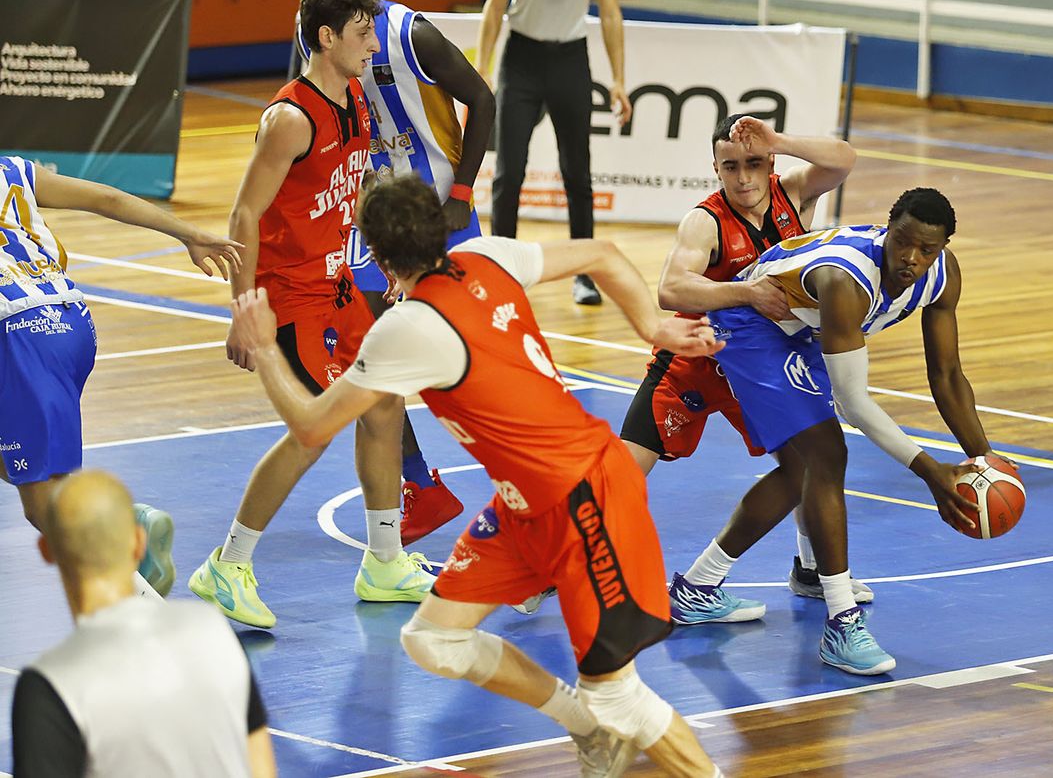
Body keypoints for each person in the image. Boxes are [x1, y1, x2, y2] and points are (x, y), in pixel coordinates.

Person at [228, 172, 725, 778]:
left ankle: (617, 725)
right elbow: (603, 253)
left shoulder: (406, 328)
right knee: (432, 640)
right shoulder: (484, 255)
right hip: (525, 502)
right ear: (440, 230)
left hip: (584, 494)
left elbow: (310, 426)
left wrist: (266, 347)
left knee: (620, 693)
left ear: (377, 257)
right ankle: (586, 726)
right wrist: (652, 325)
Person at [669, 188, 997, 677]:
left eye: (927, 250)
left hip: (802, 330)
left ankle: (697, 589)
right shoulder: (848, 279)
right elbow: (854, 402)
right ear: (888, 230)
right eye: (902, 242)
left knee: (806, 466)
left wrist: (983, 460)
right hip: (751, 323)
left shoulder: (944, 277)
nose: (911, 258)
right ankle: (842, 622)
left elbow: (946, 375)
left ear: (945, 247)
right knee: (827, 454)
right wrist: (929, 471)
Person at [189, 0, 435, 630]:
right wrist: (244, 310)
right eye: (361, 32)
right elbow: (243, 212)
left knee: (384, 403)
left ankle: (384, 561)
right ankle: (228, 562)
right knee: (314, 428)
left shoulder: (354, 94)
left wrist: (382, 257)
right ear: (327, 38)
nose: (372, 43)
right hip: (289, 292)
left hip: (340, 283)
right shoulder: (290, 118)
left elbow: (346, 189)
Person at [289, 0, 501, 543]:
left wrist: (460, 194)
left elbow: (482, 100)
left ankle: (526, 483)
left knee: (466, 364)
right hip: (374, 224)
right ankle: (419, 486)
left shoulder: (411, 32)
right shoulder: (319, 36)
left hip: (439, 213)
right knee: (370, 356)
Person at [618, 113, 867, 604]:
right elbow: (671, 288)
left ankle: (812, 570)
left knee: (809, 464)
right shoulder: (704, 220)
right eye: (730, 166)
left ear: (770, 160)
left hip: (758, 369)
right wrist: (747, 293)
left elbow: (845, 161)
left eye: (755, 163)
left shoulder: (792, 193)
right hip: (695, 360)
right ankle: (541, 569)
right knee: (621, 473)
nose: (744, 177)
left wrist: (780, 139)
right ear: (715, 168)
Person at [1, 154, 241, 598]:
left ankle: (142, 601)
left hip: (20, 335)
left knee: (43, 509)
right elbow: (105, 197)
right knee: (18, 462)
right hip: (72, 322)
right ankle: (125, 520)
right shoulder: (10, 169)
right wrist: (188, 233)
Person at [12, 470, 276, 778]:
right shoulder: (215, 633)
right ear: (138, 541)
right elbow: (261, 767)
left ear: (47, 550)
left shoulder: (48, 684)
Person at [475, 0, 632, 306]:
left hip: (569, 60)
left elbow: (610, 13)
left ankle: (583, 272)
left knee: (577, 172)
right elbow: (495, 6)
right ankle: (502, 266)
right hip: (521, 59)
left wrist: (619, 79)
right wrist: (483, 68)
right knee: (509, 171)